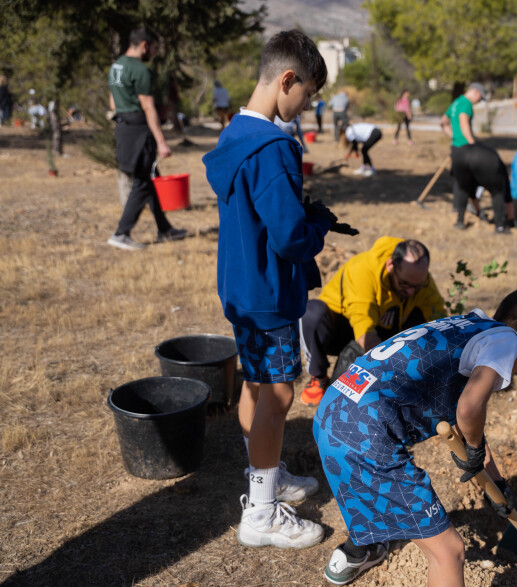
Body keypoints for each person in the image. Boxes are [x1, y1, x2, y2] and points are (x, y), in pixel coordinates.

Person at [314, 286, 517, 586]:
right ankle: (362, 547)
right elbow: (469, 411)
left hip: (335, 407)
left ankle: (356, 551)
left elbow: (464, 422)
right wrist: (474, 446)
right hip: (365, 433)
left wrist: (496, 482)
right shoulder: (507, 340)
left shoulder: (469, 325)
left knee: (377, 483)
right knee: (449, 552)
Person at [202, 29, 333, 550]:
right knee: (278, 394)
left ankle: (267, 476)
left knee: (256, 385)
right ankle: (260, 513)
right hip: (271, 294)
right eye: (308, 95)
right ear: (287, 79)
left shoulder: (235, 134)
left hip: (241, 285)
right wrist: (318, 222)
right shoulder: (275, 148)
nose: (306, 106)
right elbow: (291, 238)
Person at [299, 237, 445, 405]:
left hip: (383, 326)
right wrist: (390, 371)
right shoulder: (363, 269)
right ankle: (318, 377)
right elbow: (363, 327)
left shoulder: (419, 280)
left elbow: (439, 321)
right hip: (344, 326)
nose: (411, 292)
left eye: (417, 286)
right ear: (390, 265)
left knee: (429, 329)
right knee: (312, 314)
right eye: (405, 284)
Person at [107, 27, 186, 251]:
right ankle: (121, 233)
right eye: (154, 48)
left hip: (123, 127)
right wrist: (161, 141)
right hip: (138, 130)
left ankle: (164, 229)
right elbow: (148, 107)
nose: (154, 52)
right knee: (142, 182)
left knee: (151, 177)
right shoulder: (140, 70)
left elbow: (112, 102)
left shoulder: (116, 66)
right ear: (144, 45)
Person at [441, 82, 502, 228]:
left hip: (456, 146)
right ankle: (461, 211)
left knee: (458, 179)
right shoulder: (466, 103)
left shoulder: (456, 102)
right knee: (466, 181)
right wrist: (472, 143)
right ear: (475, 92)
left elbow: (443, 121)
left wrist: (453, 136)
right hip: (465, 148)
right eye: (480, 98)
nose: (479, 101)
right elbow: (464, 122)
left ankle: (458, 208)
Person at [452, 143, 515, 234]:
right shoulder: (498, 167)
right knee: (497, 192)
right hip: (486, 159)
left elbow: (471, 193)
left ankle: (459, 222)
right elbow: (507, 196)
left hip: (461, 155)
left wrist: (479, 212)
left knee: (463, 189)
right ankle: (499, 227)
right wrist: (511, 219)